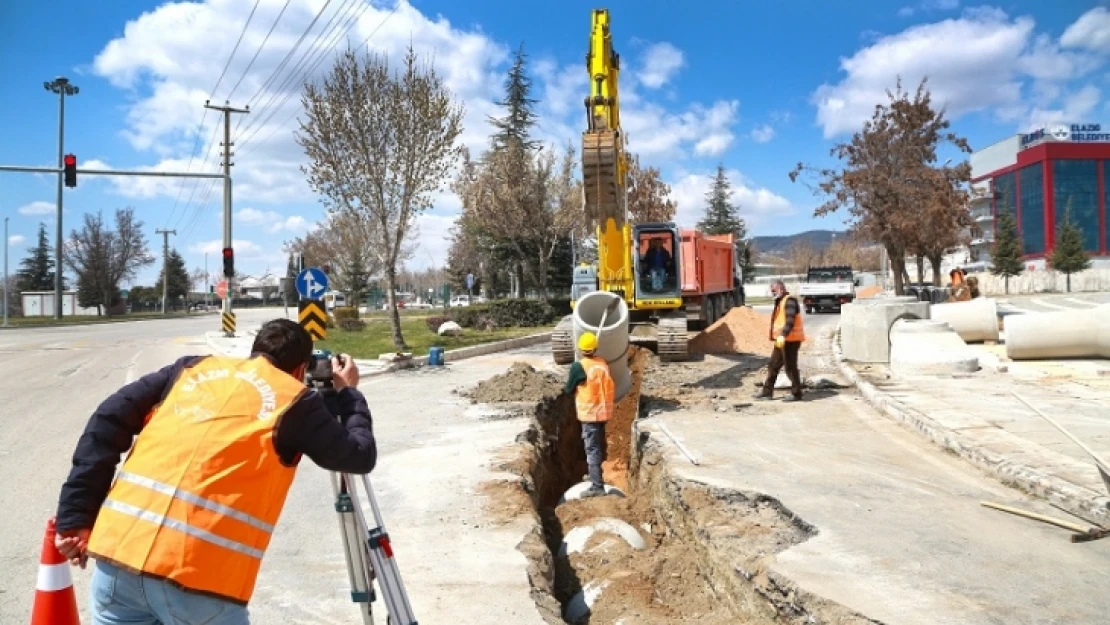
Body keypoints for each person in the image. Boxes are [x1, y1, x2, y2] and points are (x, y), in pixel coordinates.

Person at [53, 318, 376, 625]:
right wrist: (348, 394)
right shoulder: (296, 400)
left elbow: (107, 418)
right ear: (301, 368)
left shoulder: (190, 368)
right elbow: (358, 455)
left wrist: (77, 517)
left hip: (117, 564)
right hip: (199, 583)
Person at [563, 331, 615, 498]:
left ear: (580, 348)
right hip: (603, 412)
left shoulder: (579, 367)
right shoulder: (602, 363)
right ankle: (595, 476)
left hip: (590, 414)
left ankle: (597, 486)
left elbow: (569, 388)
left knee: (592, 448)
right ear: (595, 348)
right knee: (597, 446)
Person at [755, 280, 805, 402]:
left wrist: (783, 335)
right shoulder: (780, 301)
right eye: (771, 291)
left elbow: (790, 321)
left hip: (790, 340)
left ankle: (796, 393)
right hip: (781, 340)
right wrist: (780, 337)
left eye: (773, 290)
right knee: (773, 365)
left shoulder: (789, 301)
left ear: (781, 289)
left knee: (790, 367)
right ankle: (767, 393)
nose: (772, 293)